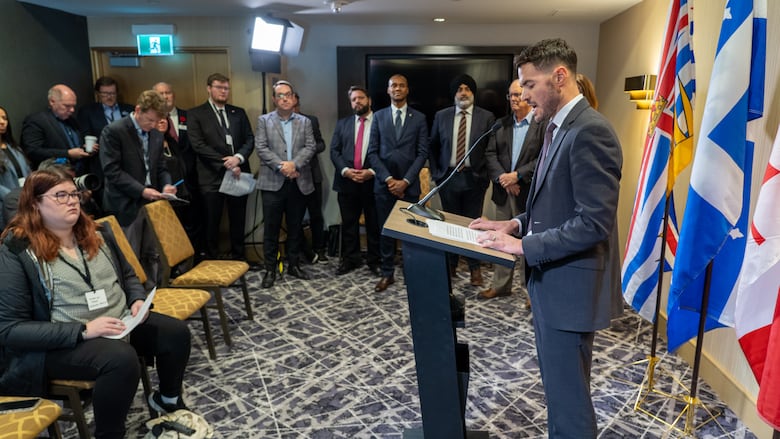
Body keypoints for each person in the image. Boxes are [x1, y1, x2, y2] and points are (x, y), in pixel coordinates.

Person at [470, 38, 623, 438]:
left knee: (569, 401)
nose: (522, 95)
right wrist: (514, 225)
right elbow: (556, 204)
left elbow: (593, 222)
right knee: (560, 393)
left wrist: (523, 247)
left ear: (560, 77)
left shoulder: (590, 131)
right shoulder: (557, 128)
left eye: (530, 85)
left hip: (570, 286)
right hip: (552, 282)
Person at [0, 169, 192, 439]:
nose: (72, 201)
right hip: (63, 340)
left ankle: (168, 401)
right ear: (35, 203)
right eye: (60, 195)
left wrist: (137, 299)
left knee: (175, 333)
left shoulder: (96, 231)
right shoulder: (17, 250)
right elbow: (10, 329)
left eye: (74, 194)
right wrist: (85, 330)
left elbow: (128, 275)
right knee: (121, 360)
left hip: (118, 320)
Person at [100, 90, 176, 285]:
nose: (152, 126)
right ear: (138, 110)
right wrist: (141, 190)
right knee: (130, 258)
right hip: (126, 203)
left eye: (156, 121)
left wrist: (167, 184)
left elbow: (160, 167)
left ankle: (154, 297)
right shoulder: (114, 131)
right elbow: (112, 171)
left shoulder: (156, 134)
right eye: (149, 120)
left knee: (153, 254)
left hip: (152, 203)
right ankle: (134, 301)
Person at [479, 80, 545, 301]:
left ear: (526, 94)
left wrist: (517, 176)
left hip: (528, 194)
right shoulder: (501, 124)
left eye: (517, 94)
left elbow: (542, 159)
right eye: (510, 96)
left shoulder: (541, 124)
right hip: (503, 193)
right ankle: (500, 285)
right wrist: (504, 179)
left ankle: (530, 292)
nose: (514, 99)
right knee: (500, 241)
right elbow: (490, 154)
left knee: (527, 243)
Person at [428, 74, 495, 286]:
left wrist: (483, 176)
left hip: (474, 179)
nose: (463, 92)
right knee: (449, 224)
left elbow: (491, 150)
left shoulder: (487, 117)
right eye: (459, 89)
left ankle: (475, 269)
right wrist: (437, 174)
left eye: (467, 89)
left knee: (472, 224)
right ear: (454, 93)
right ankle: (451, 267)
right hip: (447, 179)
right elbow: (433, 146)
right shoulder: (442, 116)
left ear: (473, 93)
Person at [365, 74, 429, 292]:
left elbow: (422, 153)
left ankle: (412, 272)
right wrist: (390, 179)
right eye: (394, 85)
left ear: (407, 89)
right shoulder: (379, 117)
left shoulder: (419, 118)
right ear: (388, 90)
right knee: (385, 231)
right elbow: (372, 153)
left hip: (409, 187)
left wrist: (406, 181)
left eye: (402, 85)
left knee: (411, 232)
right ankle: (387, 273)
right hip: (385, 186)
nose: (398, 89)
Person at [255, 80, 317, 288]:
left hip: (297, 182)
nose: (285, 98)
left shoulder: (304, 122)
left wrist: (294, 164)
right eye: (280, 95)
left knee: (295, 227)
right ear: (274, 99)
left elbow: (311, 146)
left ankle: (294, 265)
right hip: (273, 182)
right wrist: (282, 166)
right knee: (271, 229)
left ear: (293, 97)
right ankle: (270, 269)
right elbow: (261, 148)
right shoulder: (264, 120)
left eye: (288, 94)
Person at [187, 73, 254, 260]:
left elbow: (249, 138)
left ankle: (239, 259)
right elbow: (198, 145)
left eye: (226, 88)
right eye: (219, 87)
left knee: (238, 220)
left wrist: (238, 158)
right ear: (209, 88)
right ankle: (213, 260)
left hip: (238, 174)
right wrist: (226, 163)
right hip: (211, 177)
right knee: (211, 222)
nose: (223, 91)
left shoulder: (238, 112)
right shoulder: (195, 114)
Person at [330, 85, 381, 276]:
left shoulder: (380, 122)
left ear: (369, 100)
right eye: (353, 99)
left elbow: (387, 153)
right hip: (347, 182)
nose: (357, 102)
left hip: (372, 182)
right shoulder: (342, 124)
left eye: (360, 98)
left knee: (373, 224)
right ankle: (350, 259)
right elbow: (334, 151)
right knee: (349, 224)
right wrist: (345, 170)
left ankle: (374, 260)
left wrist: (371, 171)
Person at [153, 81, 204, 257]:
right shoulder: (149, 143)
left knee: (191, 226)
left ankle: (192, 261)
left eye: (168, 92)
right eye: (158, 119)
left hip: (185, 188)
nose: (162, 122)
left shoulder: (173, 141)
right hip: (161, 194)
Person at [20, 84, 94, 173]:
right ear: (52, 102)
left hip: (79, 174)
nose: (72, 110)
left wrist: (84, 148)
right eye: (67, 106)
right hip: (54, 175)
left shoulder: (72, 120)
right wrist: (67, 154)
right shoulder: (37, 121)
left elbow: (73, 145)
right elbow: (33, 151)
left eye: (73, 106)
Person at [293, 92, 328, 264]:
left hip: (312, 175)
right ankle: (303, 251)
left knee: (316, 215)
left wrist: (308, 150)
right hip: (292, 177)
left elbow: (321, 143)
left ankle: (320, 249)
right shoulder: (277, 123)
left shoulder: (310, 120)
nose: (294, 108)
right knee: (295, 216)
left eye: (296, 105)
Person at [0, 106, 32, 230]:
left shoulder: (14, 147)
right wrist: (14, 196)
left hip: (26, 201)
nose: (2, 122)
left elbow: (27, 171)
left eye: (4, 118)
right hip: (6, 206)